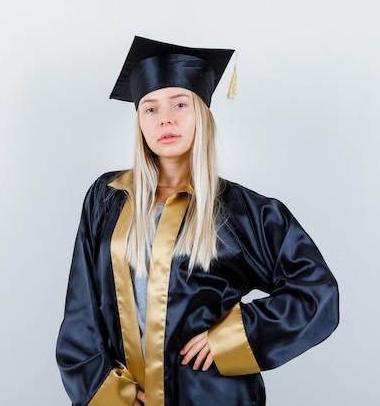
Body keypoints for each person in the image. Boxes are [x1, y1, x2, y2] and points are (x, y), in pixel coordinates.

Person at [55, 36, 339, 406]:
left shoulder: (242, 211)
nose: (166, 119)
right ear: (139, 121)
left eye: (179, 104)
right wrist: (110, 394)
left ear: (202, 113)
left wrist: (229, 339)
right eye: (150, 109)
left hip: (212, 396)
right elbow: (81, 308)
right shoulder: (107, 198)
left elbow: (316, 293)